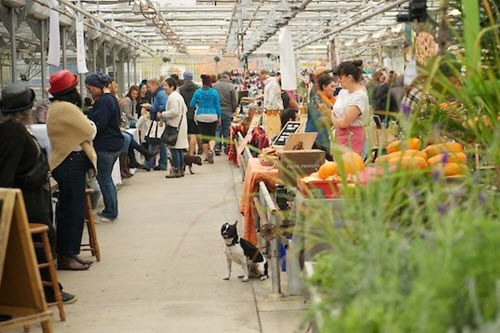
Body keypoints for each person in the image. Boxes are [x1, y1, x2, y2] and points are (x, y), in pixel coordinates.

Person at [0, 84, 76, 302]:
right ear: (27, 109)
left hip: (29, 197)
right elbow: (6, 173)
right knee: (43, 244)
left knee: (43, 243)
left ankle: (49, 289)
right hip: (26, 201)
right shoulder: (13, 132)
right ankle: (49, 291)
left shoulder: (13, 128)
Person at [46, 70, 97, 270]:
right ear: (70, 91)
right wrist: (88, 125)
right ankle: (67, 256)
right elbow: (90, 131)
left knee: (71, 211)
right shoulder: (67, 108)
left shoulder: (57, 107)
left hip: (69, 163)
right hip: (71, 163)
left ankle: (70, 253)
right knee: (71, 212)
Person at [85, 72, 124, 222]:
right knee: (106, 179)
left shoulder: (102, 102)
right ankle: (111, 209)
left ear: (98, 86)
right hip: (114, 143)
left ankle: (110, 212)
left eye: (90, 88)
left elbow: (98, 125)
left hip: (106, 145)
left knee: (104, 179)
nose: (89, 91)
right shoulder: (111, 98)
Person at [331, 60, 370, 157]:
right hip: (339, 136)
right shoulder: (343, 92)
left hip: (353, 138)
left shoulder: (359, 96)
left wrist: (333, 117)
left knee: (351, 167)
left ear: (349, 77)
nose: (339, 81)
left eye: (340, 78)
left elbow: (344, 122)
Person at [190, 74, 221, 164]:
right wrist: (219, 117)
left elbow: (192, 104)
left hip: (201, 115)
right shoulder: (214, 92)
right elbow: (217, 106)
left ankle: (207, 155)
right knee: (212, 135)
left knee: (204, 137)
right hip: (212, 115)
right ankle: (211, 149)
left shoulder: (198, 92)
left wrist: (198, 103)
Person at [162, 78, 189, 178]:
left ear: (172, 87)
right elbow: (184, 109)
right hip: (181, 125)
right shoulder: (178, 96)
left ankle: (176, 169)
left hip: (174, 126)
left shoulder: (172, 97)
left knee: (174, 149)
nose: (164, 87)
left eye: (165, 85)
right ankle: (181, 169)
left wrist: (163, 114)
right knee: (179, 149)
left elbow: (174, 111)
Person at [305, 66, 334, 159]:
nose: (328, 75)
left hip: (324, 138)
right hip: (317, 139)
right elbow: (320, 120)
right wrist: (336, 118)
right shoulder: (316, 95)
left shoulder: (330, 99)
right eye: (332, 86)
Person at [213, 71, 238, 155]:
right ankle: (226, 147)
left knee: (217, 130)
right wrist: (234, 109)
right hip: (228, 110)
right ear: (227, 77)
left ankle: (217, 147)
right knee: (227, 130)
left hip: (217, 111)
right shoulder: (230, 86)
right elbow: (234, 100)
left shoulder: (214, 86)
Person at [146, 78, 169, 171]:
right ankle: (162, 163)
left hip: (159, 120)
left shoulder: (160, 94)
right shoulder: (158, 94)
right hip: (160, 119)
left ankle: (148, 163)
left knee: (153, 141)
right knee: (161, 142)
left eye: (149, 86)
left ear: (155, 85)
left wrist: (152, 107)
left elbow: (164, 105)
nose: (148, 89)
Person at [179, 71, 200, 156]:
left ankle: (188, 150)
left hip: (185, 113)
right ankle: (192, 151)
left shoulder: (181, 89)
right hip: (194, 113)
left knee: (187, 133)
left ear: (184, 78)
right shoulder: (197, 88)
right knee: (193, 133)